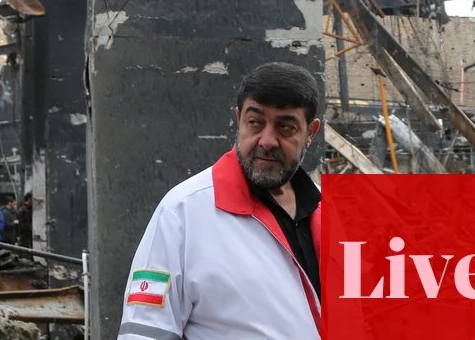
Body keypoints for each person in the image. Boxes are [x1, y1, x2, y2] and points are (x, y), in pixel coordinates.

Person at [117, 62, 322, 340]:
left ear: (310, 132)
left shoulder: (333, 214)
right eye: (255, 122)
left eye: (285, 127)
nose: (267, 140)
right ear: (239, 119)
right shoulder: (183, 213)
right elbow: (146, 333)